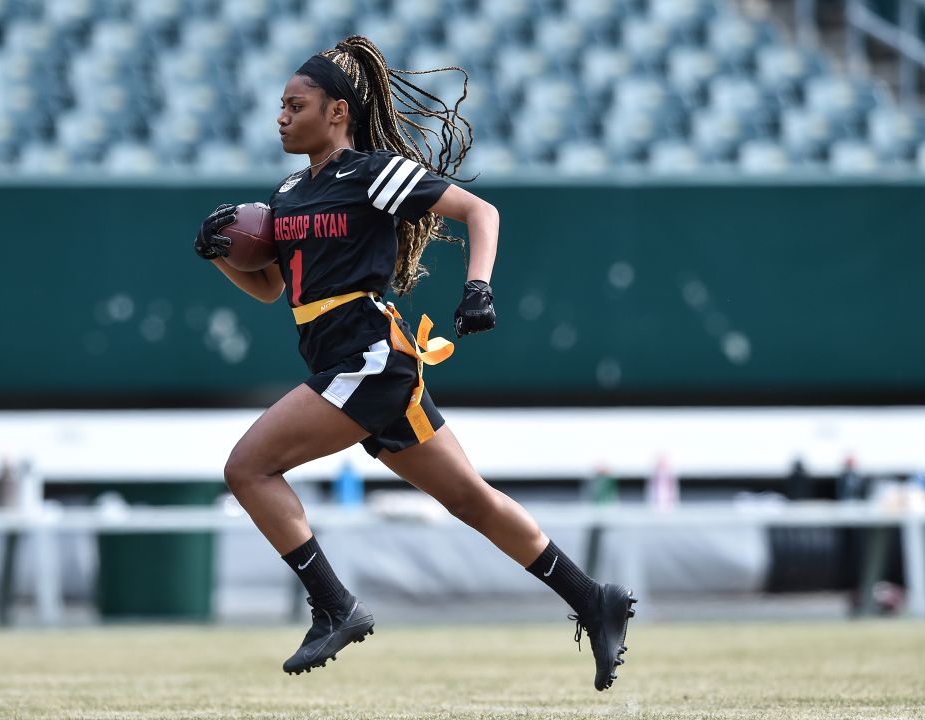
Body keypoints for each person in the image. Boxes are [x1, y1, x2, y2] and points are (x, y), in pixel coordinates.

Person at [193, 36, 635, 691]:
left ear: (337, 112)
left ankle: (334, 605)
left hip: (367, 359)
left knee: (248, 467)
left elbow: (479, 211)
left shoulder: (373, 172)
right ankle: (593, 599)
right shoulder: (286, 194)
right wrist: (223, 254)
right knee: (471, 501)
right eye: (279, 106)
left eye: (296, 104)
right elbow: (272, 290)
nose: (281, 116)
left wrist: (478, 286)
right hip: (358, 366)